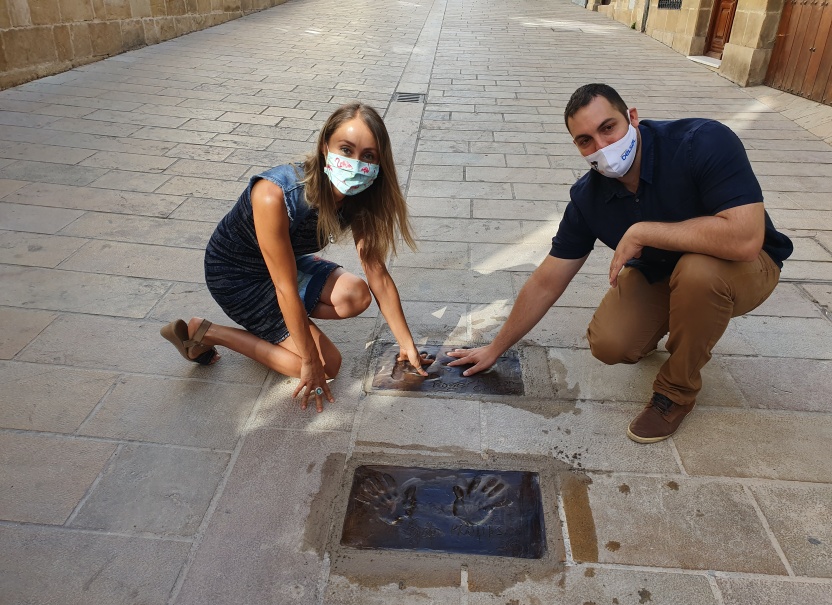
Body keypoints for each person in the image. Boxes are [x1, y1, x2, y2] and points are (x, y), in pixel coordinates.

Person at [448, 83, 793, 443]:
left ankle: (676, 393)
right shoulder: (588, 197)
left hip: (745, 266)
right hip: (660, 273)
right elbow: (547, 280)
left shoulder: (701, 142)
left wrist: (644, 232)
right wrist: (495, 348)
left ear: (633, 117)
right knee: (611, 344)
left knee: (699, 275)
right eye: (585, 140)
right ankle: (678, 319)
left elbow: (745, 239)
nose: (602, 146)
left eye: (608, 127)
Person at [161, 102, 433, 413]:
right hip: (236, 277)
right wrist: (309, 359)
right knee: (328, 365)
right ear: (325, 147)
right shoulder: (274, 194)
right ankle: (208, 332)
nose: (356, 164)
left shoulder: (361, 195)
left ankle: (285, 326)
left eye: (368, 156)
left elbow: (376, 272)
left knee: (355, 296)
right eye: (346, 150)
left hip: (282, 264)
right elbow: (285, 287)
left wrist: (406, 344)